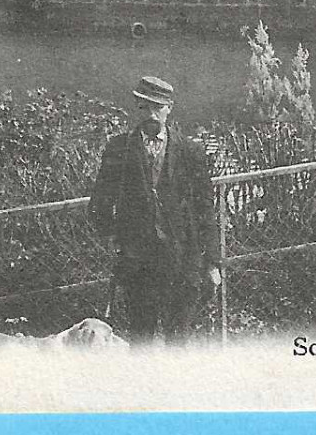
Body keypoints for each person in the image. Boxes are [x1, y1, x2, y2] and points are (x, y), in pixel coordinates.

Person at [90, 75, 222, 345]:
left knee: (179, 339)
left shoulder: (190, 151)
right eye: (144, 107)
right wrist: (119, 241)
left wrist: (212, 263)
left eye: (157, 107)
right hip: (139, 264)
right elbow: (99, 205)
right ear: (136, 107)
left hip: (183, 260)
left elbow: (205, 209)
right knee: (141, 339)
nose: (151, 114)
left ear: (169, 108)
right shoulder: (119, 149)